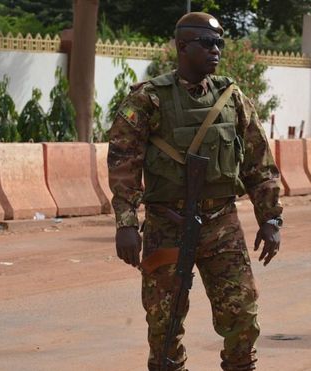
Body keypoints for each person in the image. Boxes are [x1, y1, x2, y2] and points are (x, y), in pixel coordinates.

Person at [108, 12, 282, 371]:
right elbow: (124, 163)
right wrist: (126, 223)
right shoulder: (148, 100)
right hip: (167, 224)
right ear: (182, 46)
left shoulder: (232, 98)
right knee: (164, 326)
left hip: (222, 224)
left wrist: (271, 217)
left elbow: (258, 162)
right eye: (207, 42)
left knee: (242, 316)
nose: (215, 50)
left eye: (219, 43)